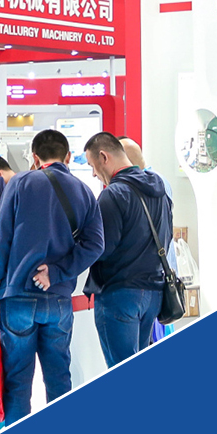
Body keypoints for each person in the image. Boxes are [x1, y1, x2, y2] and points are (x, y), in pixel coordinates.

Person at [0, 129, 105, 423]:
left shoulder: (20, 183)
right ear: (67, 156)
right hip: (58, 299)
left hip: (17, 297)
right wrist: (58, 271)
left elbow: (1, 238)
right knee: (59, 381)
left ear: (35, 157)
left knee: (17, 385)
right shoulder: (84, 191)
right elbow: (95, 244)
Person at [82, 133, 174, 366]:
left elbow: (102, 248)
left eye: (92, 165)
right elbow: (167, 236)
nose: (93, 173)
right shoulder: (160, 189)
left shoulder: (113, 194)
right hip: (153, 294)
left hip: (120, 295)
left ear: (104, 157)